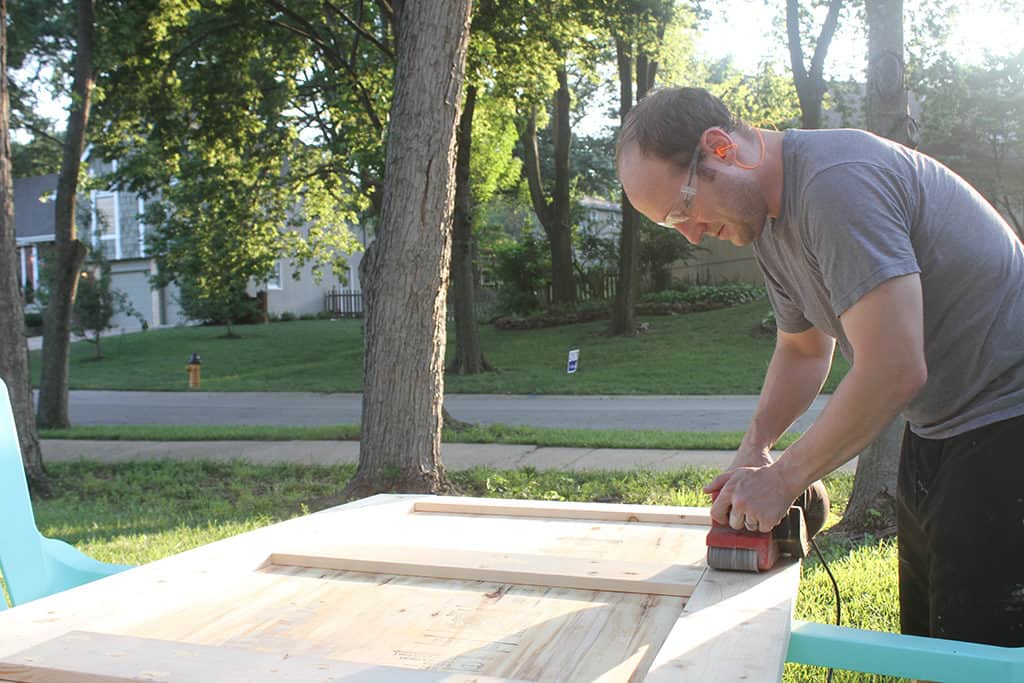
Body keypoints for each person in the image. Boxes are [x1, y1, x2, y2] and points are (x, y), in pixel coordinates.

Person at [616, 86, 1024, 649]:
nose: (688, 233)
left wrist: (785, 480)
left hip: (1009, 421)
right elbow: (803, 350)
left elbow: (894, 368)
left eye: (684, 206)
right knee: (933, 645)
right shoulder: (767, 224)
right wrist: (757, 447)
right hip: (939, 429)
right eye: (669, 223)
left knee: (984, 654)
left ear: (720, 148)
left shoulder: (838, 184)